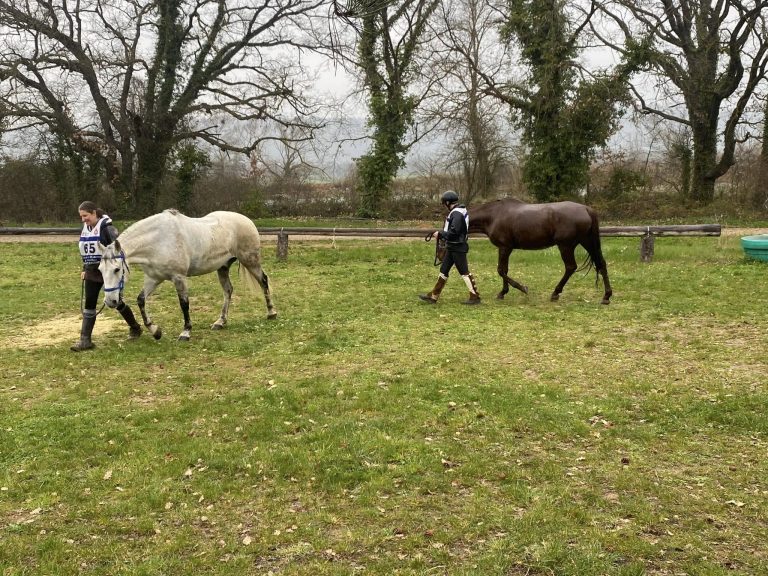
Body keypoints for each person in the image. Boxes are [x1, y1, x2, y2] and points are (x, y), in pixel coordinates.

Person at [71, 201, 142, 351]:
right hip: (92, 271)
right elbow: (86, 250)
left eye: (86, 216)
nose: (83, 219)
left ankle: (135, 327)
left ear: (94, 213)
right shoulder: (85, 229)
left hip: (107, 271)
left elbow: (118, 250)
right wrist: (85, 268)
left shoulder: (108, 229)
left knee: (116, 302)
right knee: (89, 304)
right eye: (81, 216)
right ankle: (85, 340)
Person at [419, 190, 481, 305]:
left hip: (457, 247)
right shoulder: (459, 211)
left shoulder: (456, 214)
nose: (444, 206)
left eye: (444, 203)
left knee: (464, 272)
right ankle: (434, 296)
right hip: (453, 246)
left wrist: (440, 234)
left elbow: (454, 232)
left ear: (448, 202)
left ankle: (475, 297)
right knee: (444, 270)